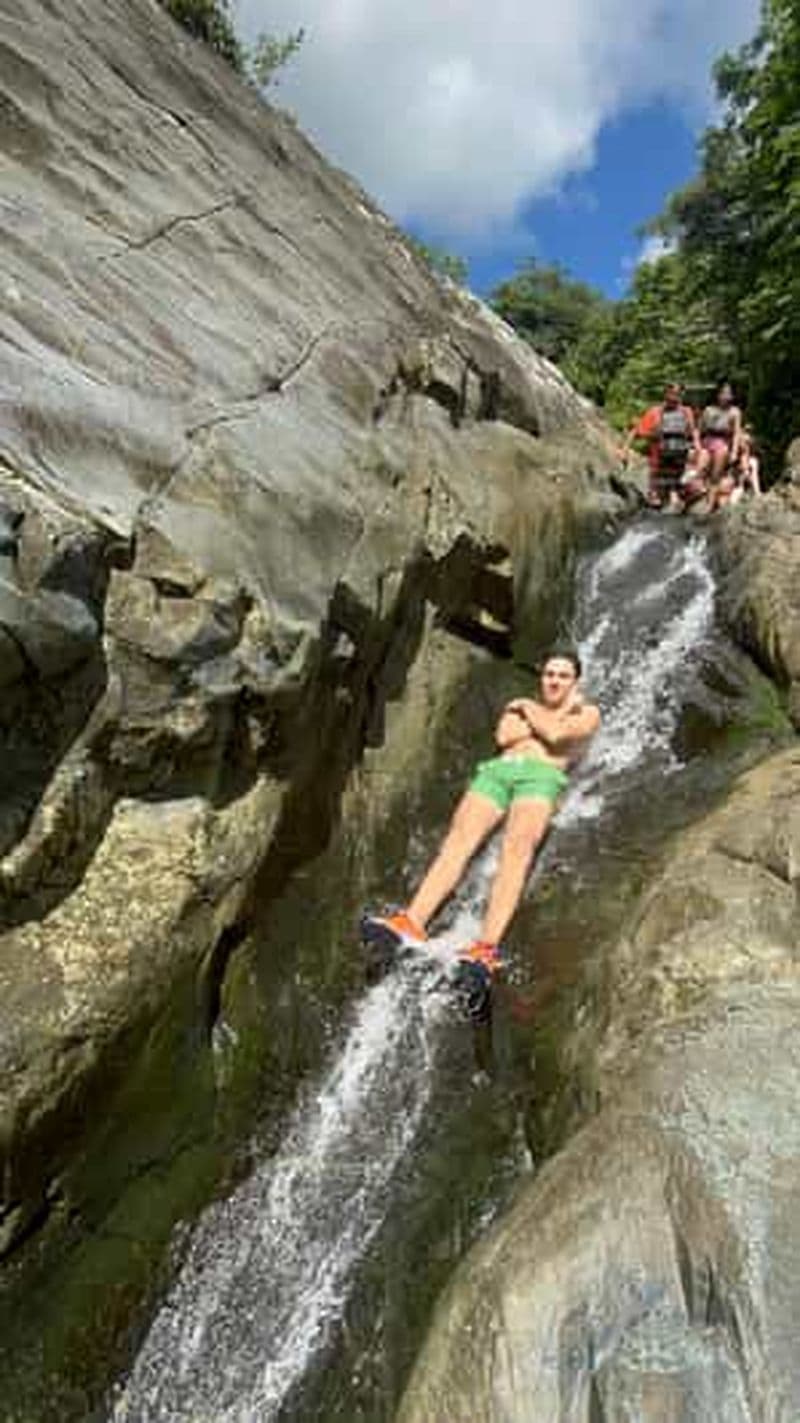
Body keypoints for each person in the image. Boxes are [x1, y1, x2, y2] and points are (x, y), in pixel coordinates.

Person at [361, 649, 600, 975]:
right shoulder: (521, 705)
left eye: (562, 676)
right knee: (457, 843)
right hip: (497, 772)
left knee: (515, 853)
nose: (554, 681)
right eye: (549, 674)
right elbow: (505, 735)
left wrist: (532, 714)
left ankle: (485, 948)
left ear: (575, 681)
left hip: (541, 778)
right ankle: (412, 922)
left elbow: (557, 736)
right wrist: (541, 716)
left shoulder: (587, 712)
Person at [621, 383, 700, 510]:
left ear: (681, 396)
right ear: (666, 394)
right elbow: (636, 431)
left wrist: (697, 447)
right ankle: (661, 494)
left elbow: (693, 431)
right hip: (659, 465)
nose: (674, 397)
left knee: (695, 492)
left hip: (680, 463)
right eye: (671, 393)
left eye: (677, 394)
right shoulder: (655, 412)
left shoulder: (686, 412)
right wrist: (624, 450)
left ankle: (681, 497)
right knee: (658, 504)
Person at [695, 381, 742, 511]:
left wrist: (734, 452)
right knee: (700, 465)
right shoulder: (708, 410)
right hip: (707, 442)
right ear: (717, 394)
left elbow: (737, 433)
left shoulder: (735, 412)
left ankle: (709, 503)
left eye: (728, 393)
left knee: (717, 470)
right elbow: (698, 430)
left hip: (723, 443)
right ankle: (700, 492)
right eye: (723, 393)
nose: (725, 396)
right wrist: (697, 446)